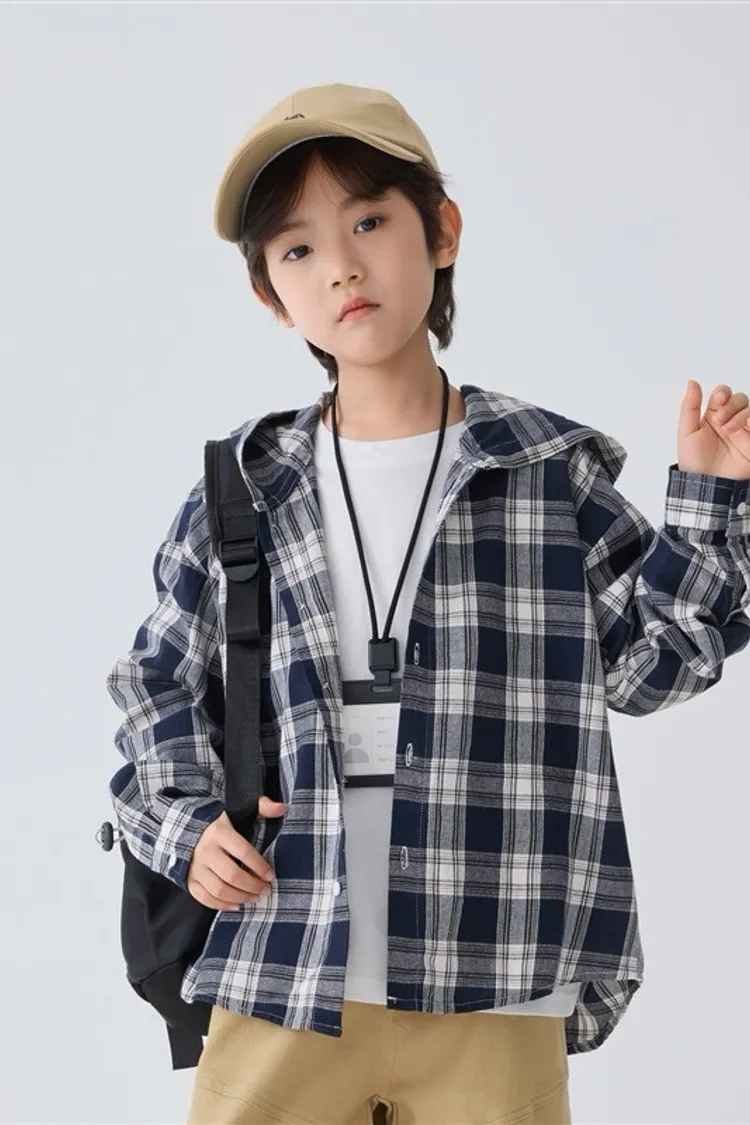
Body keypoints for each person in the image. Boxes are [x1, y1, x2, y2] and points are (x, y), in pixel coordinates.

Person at [106, 82, 750, 1125]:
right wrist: (185, 826)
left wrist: (709, 503)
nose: (342, 266)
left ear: (441, 232)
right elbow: (157, 682)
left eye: (369, 221)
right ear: (272, 295)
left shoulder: (545, 471)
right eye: (299, 248)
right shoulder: (247, 486)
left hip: (495, 970)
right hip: (285, 961)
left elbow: (650, 668)